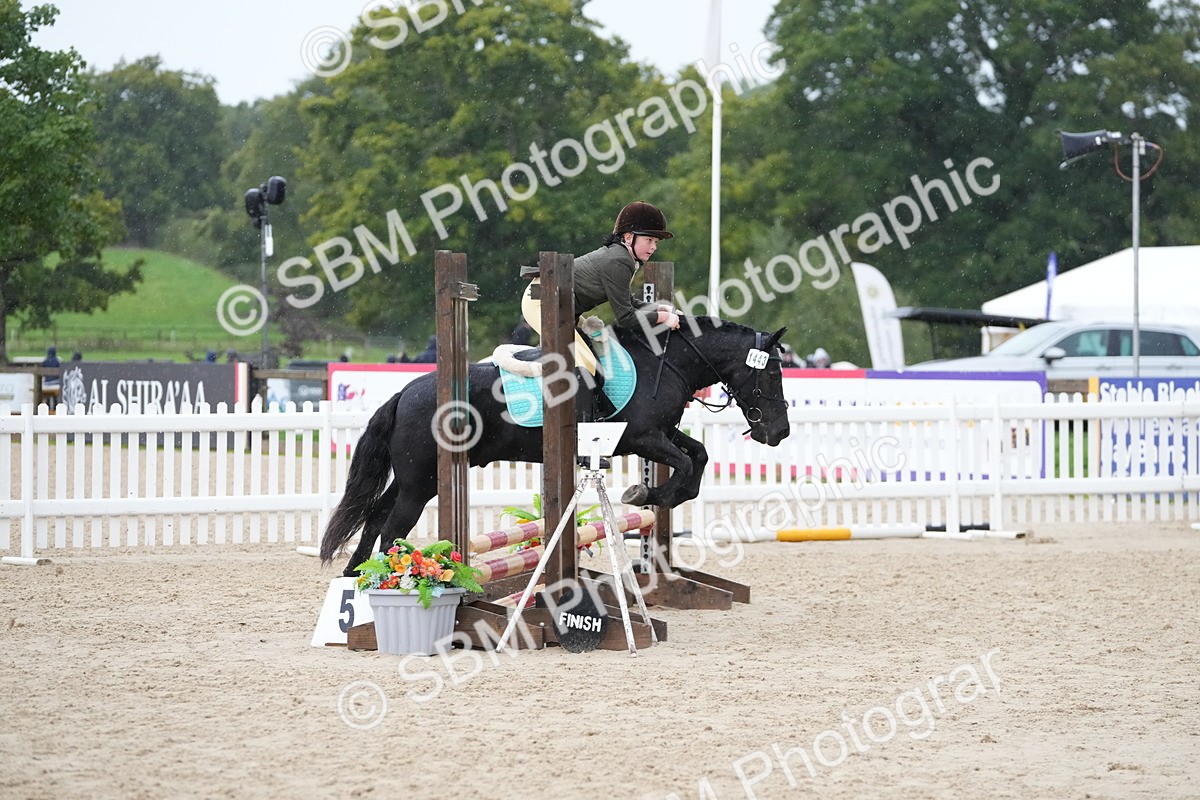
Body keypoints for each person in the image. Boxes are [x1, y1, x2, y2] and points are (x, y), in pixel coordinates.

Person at [519, 201, 679, 418]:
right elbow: (626, 317)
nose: (653, 247)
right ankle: (582, 427)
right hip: (542, 301)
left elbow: (628, 302)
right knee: (586, 365)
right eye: (649, 240)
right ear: (629, 237)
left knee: (595, 358)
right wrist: (663, 318)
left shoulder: (624, 257)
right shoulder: (619, 260)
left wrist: (659, 308)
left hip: (560, 304)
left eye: (656, 242)